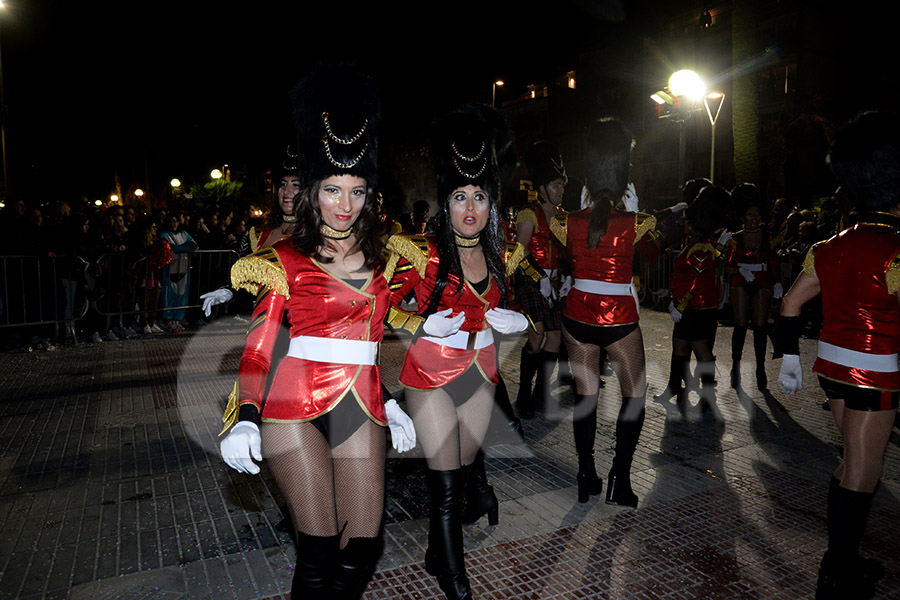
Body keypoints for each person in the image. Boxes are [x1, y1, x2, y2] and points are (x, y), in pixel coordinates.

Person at [218, 65, 415, 599]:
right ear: (313, 191)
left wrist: (392, 403)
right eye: (332, 189)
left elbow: (370, 344)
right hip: (290, 405)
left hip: (362, 405)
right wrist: (245, 418)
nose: (344, 204)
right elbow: (260, 350)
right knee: (319, 549)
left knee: (363, 548)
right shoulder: (283, 259)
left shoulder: (383, 260)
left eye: (356, 190)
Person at [384, 104, 528, 600]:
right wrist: (421, 324)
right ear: (445, 202)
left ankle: (435, 552)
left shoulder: (501, 256)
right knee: (444, 486)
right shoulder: (421, 255)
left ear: (492, 203)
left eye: (480, 197)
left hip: (481, 371)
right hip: (429, 374)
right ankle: (455, 579)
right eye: (460, 196)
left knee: (462, 474)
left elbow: (506, 314)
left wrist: (520, 323)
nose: (470, 208)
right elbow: (376, 310)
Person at [776, 111, 900, 600]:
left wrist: (788, 359)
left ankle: (842, 561)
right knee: (862, 473)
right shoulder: (895, 249)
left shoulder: (827, 246)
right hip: (876, 372)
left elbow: (790, 303)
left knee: (850, 462)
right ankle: (835, 574)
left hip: (832, 366)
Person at [549, 117, 659, 507]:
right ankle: (620, 478)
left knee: (585, 397)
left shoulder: (567, 222)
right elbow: (652, 255)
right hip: (620, 320)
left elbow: (567, 260)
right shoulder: (638, 222)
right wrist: (636, 212)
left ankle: (585, 473)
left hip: (577, 316)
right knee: (635, 397)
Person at [654, 186, 729, 417]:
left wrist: (680, 304)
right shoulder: (696, 243)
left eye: (687, 220)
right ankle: (675, 387)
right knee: (679, 347)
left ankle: (709, 395)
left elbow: (695, 281)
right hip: (690, 307)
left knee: (702, 351)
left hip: (697, 308)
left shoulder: (700, 246)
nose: (684, 223)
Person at [514, 141, 572, 418]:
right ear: (542, 189)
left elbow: (569, 253)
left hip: (558, 285)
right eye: (556, 185)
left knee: (555, 339)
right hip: (531, 282)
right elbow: (520, 249)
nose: (561, 190)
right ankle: (524, 395)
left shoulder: (564, 218)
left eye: (562, 185)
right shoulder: (529, 213)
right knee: (536, 338)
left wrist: (568, 276)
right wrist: (540, 278)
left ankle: (540, 394)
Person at [724, 183, 783, 390]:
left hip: (762, 282)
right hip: (740, 282)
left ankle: (760, 368)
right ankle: (735, 366)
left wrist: (777, 282)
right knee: (740, 326)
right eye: (750, 214)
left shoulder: (767, 236)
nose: (755, 217)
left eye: (757, 214)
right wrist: (741, 271)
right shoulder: (735, 237)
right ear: (743, 216)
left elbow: (774, 261)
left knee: (760, 327)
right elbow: (727, 264)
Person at [159, 210, 198, 330]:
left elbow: (194, 246)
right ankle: (168, 318)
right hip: (169, 270)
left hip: (183, 269)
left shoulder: (184, 234)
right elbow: (168, 248)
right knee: (168, 295)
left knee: (182, 294)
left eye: (174, 222)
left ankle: (178, 318)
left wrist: (178, 248)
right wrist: (184, 247)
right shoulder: (164, 234)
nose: (173, 224)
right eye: (170, 222)